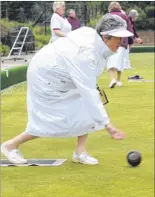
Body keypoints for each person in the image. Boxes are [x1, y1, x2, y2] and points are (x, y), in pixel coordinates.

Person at [1, 14, 133, 165]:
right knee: (49, 120)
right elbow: (88, 93)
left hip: (61, 73)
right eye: (118, 37)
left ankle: (80, 152)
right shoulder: (86, 54)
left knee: (85, 108)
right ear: (105, 37)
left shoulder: (95, 40)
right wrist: (108, 125)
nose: (122, 42)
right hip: (45, 76)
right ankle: (10, 146)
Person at [106, 2, 132, 88]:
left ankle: (112, 79)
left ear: (110, 7)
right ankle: (118, 81)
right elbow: (130, 30)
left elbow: (103, 29)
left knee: (111, 63)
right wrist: (130, 42)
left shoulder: (107, 16)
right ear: (119, 7)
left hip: (111, 42)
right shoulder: (125, 16)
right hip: (123, 42)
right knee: (120, 64)